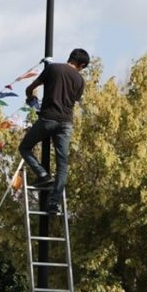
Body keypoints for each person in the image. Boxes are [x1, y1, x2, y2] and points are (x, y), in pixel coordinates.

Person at [19, 47, 91, 215]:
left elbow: (30, 88)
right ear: (81, 64)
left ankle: (43, 175)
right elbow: (73, 100)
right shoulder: (80, 81)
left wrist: (31, 98)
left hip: (48, 118)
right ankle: (53, 202)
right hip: (66, 122)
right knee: (62, 165)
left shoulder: (52, 69)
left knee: (24, 147)